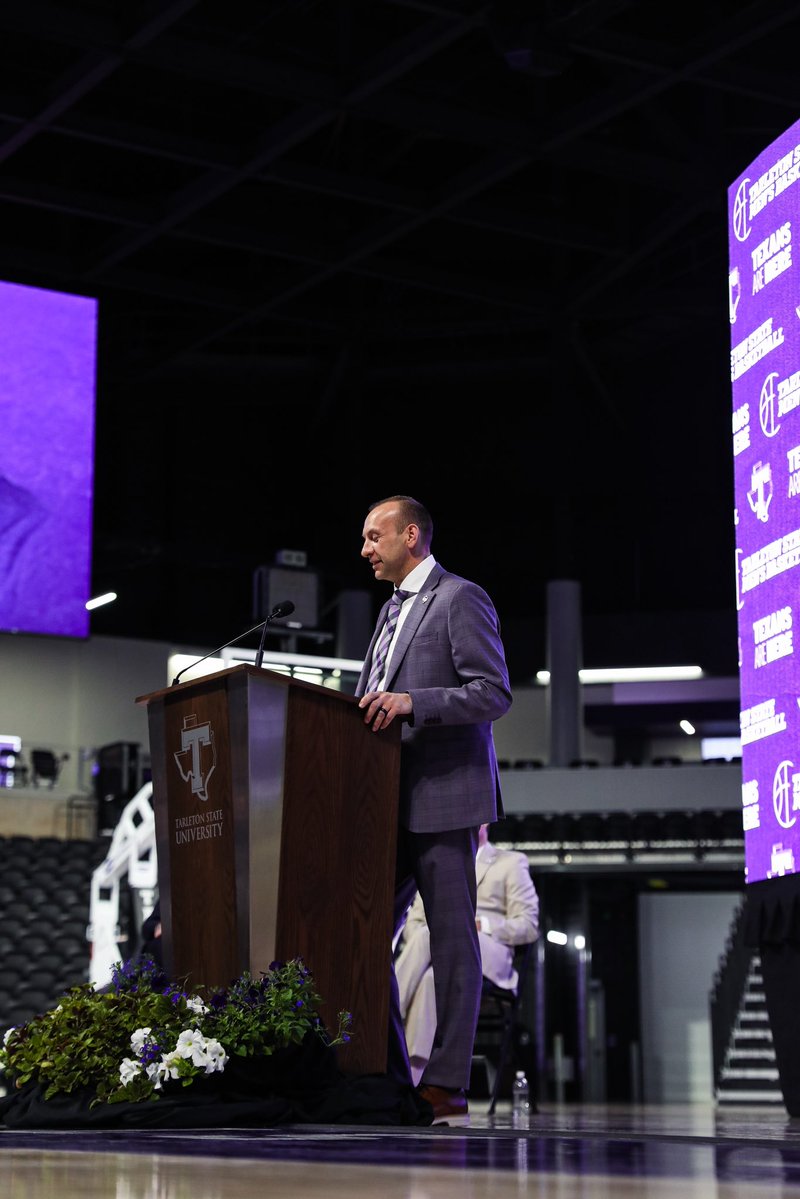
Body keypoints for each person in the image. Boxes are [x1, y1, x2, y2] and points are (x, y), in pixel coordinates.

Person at [356, 494, 512, 1125]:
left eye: (373, 536)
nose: (364, 549)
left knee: (451, 944)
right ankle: (389, 1069)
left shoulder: (459, 597)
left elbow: (492, 691)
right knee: (360, 937)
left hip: (444, 799)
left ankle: (445, 1083)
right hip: (383, 800)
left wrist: (412, 700)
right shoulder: (389, 611)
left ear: (410, 535)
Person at [396, 822, 539, 1086]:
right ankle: (417, 1078)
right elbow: (413, 925)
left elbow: (528, 926)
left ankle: (388, 1013)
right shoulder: (433, 861)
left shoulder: (511, 862)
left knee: (437, 934)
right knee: (429, 979)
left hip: (489, 948)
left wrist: (482, 925)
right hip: (436, 951)